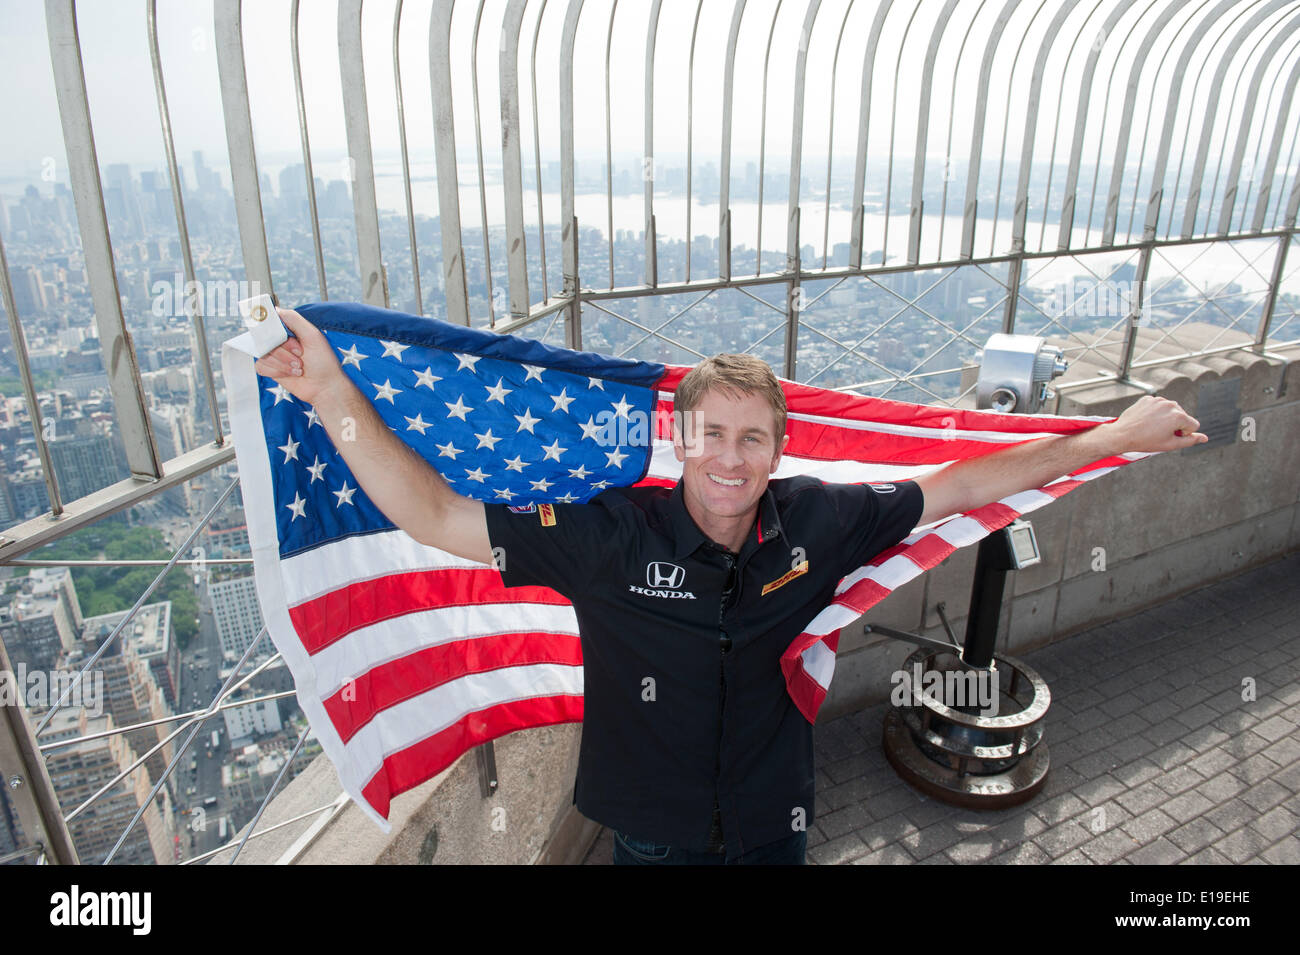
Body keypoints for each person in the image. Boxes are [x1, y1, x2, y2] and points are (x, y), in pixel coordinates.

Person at [254, 306, 1208, 865]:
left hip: (771, 824)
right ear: (680, 440)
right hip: (652, 837)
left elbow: (962, 484)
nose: (729, 458)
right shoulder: (608, 537)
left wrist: (1114, 438)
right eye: (710, 434)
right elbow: (437, 516)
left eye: (752, 437)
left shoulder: (820, 520)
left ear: (779, 450)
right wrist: (335, 396)